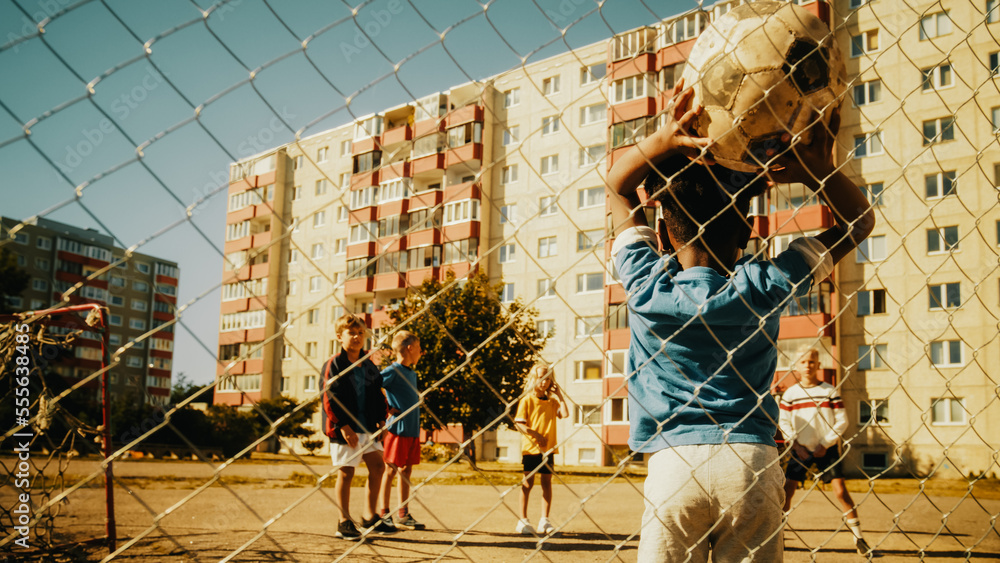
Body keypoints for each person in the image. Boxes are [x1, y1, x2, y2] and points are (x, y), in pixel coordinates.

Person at [607, 80, 874, 561]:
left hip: (673, 462)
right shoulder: (763, 284)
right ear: (748, 230)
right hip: (750, 459)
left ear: (663, 230)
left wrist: (664, 140)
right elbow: (858, 222)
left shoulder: (646, 283)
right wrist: (817, 169)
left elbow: (615, 186)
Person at [780, 347, 872, 555]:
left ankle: (859, 538)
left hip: (826, 450)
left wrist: (826, 443)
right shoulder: (791, 394)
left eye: (812, 362)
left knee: (841, 492)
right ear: (796, 366)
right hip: (800, 450)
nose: (807, 366)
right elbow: (784, 422)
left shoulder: (829, 391)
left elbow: (842, 420)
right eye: (803, 362)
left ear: (819, 365)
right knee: (787, 492)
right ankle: (778, 535)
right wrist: (796, 444)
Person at [321, 314, 396, 540]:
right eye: (351, 333)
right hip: (345, 428)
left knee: (378, 467)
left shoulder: (368, 363)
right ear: (339, 336)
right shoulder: (334, 364)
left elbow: (378, 395)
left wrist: (382, 421)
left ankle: (369, 516)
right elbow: (329, 397)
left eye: (360, 333)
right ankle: (343, 521)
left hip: (368, 428)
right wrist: (343, 426)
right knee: (347, 472)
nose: (356, 337)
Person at [378, 330, 426, 530]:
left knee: (406, 470)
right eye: (419, 349)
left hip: (412, 429)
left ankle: (403, 514)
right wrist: (386, 408)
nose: (421, 353)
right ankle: (383, 513)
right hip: (397, 429)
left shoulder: (411, 373)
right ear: (410, 348)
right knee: (390, 469)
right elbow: (373, 385)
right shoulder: (393, 370)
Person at [513, 363, 567, 535]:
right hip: (531, 449)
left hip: (548, 450)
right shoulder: (527, 400)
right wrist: (536, 435)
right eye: (540, 378)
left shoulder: (552, 402)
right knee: (528, 483)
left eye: (548, 379)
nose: (544, 382)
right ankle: (523, 520)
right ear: (534, 379)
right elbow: (519, 424)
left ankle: (544, 520)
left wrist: (560, 395)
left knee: (546, 483)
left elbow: (564, 414)